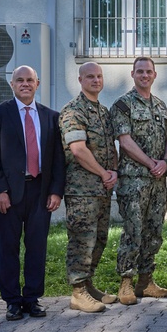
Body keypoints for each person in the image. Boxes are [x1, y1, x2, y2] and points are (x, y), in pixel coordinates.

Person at [0, 66, 65, 321]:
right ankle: (12, 301)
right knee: (8, 247)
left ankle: (32, 298)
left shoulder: (51, 116)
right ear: (12, 84)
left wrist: (56, 191)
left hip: (40, 191)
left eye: (30, 80)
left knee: (37, 246)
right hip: (9, 192)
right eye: (20, 80)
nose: (25, 84)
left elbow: (58, 159)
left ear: (37, 84)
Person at [110, 57, 167, 305]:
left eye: (149, 72)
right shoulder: (123, 105)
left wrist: (165, 162)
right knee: (133, 231)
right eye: (140, 71)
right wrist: (151, 163)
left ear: (155, 75)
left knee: (154, 231)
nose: (145, 75)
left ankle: (146, 281)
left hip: (158, 180)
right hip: (134, 180)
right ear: (132, 74)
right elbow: (124, 142)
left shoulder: (160, 105)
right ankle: (126, 282)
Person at [60, 62, 118, 313]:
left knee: (99, 239)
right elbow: (78, 150)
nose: (96, 80)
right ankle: (77, 291)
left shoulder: (103, 112)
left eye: (99, 76)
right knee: (82, 240)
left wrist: (113, 171)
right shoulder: (74, 111)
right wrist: (104, 172)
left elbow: (110, 147)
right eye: (90, 77)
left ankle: (89, 284)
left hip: (102, 188)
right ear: (80, 80)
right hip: (81, 190)